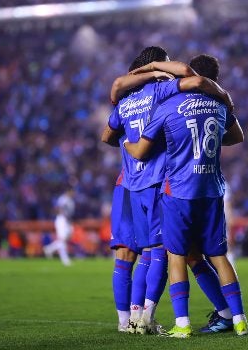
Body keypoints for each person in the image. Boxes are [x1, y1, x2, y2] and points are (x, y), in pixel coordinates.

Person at [102, 47, 234, 335]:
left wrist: (129, 144)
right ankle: (149, 318)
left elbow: (107, 133)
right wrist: (223, 97)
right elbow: (192, 77)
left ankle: (128, 321)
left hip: (127, 183)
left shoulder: (125, 99)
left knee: (132, 254)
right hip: (166, 184)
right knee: (175, 253)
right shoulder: (164, 93)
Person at [43, 189, 75, 266]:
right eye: (71, 191)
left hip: (67, 221)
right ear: (68, 191)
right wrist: (62, 215)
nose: (73, 193)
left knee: (66, 238)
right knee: (62, 240)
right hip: (61, 220)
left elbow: (70, 212)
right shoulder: (63, 199)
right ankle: (65, 260)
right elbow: (57, 208)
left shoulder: (71, 201)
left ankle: (49, 249)